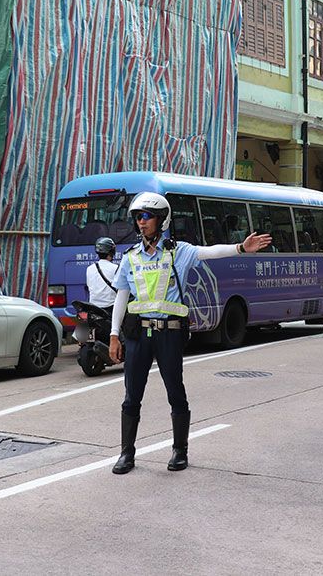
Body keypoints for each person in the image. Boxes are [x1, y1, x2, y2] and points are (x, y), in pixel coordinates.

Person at [108, 192, 271, 474]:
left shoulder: (179, 251)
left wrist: (241, 248)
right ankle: (126, 453)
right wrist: (113, 335)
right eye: (137, 217)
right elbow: (122, 296)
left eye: (146, 216)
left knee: (176, 393)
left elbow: (210, 251)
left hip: (169, 334)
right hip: (138, 335)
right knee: (131, 395)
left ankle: (179, 451)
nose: (141, 222)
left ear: (161, 220)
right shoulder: (130, 258)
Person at [86, 237, 119, 310]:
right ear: (112, 251)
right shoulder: (116, 268)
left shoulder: (89, 269)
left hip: (94, 308)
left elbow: (89, 287)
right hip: (111, 308)